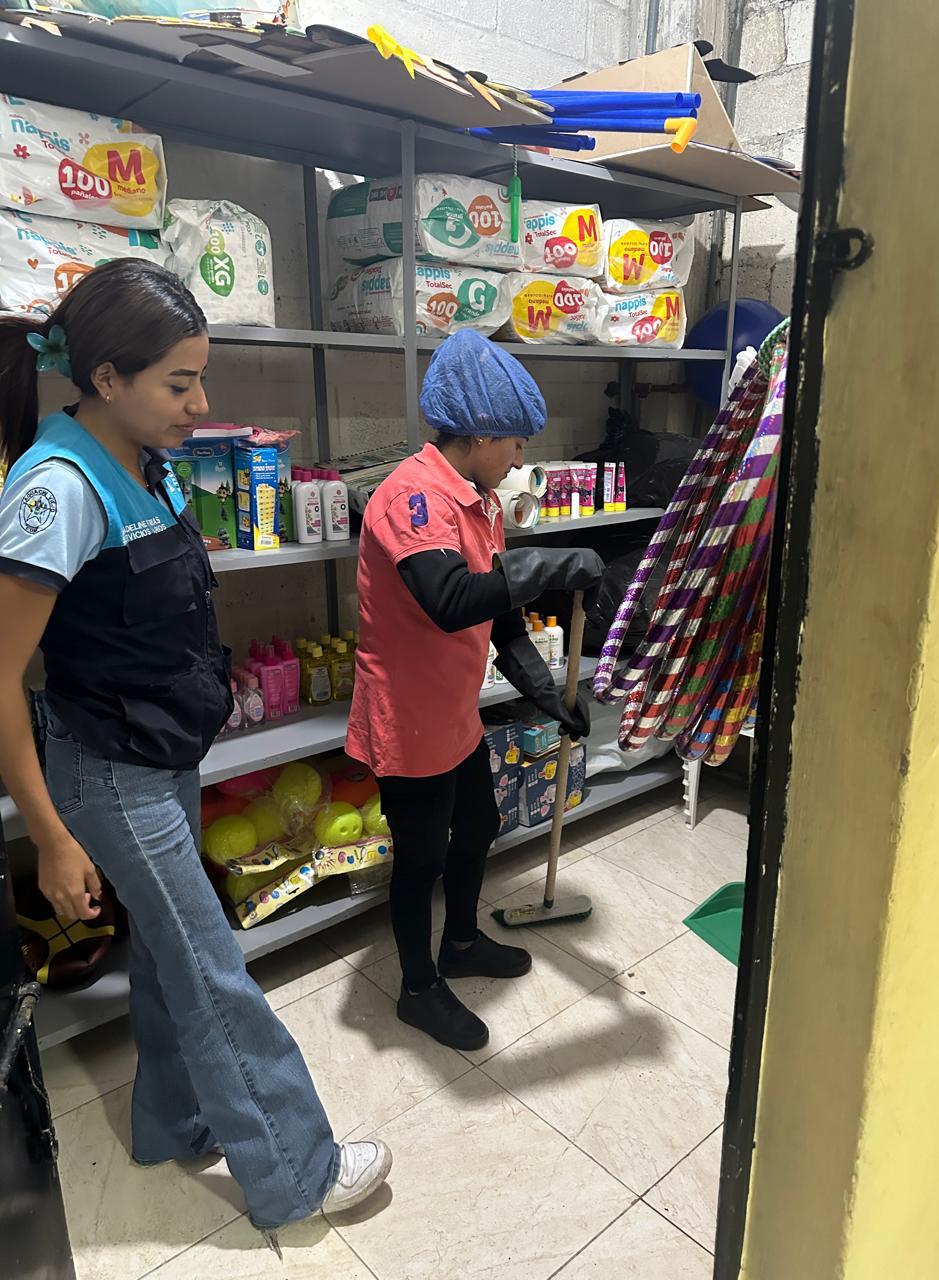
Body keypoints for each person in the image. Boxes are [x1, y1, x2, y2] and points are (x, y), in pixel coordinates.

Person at [0, 259, 391, 1241]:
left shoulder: (147, 461)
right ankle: (298, 1172)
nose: (201, 404)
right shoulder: (57, 488)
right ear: (106, 378)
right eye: (180, 383)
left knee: (173, 958)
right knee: (214, 968)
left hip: (160, 758)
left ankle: (172, 1122)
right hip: (108, 774)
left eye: (200, 377)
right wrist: (49, 836)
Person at [346, 330, 604, 1051]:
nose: (521, 459)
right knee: (421, 857)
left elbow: (499, 616)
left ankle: (459, 942)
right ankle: (418, 990)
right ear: (482, 432)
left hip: (452, 712)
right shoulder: (411, 499)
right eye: (517, 443)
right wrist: (554, 565)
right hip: (407, 719)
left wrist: (546, 693)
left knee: (481, 825)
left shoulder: (478, 501)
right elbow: (452, 599)